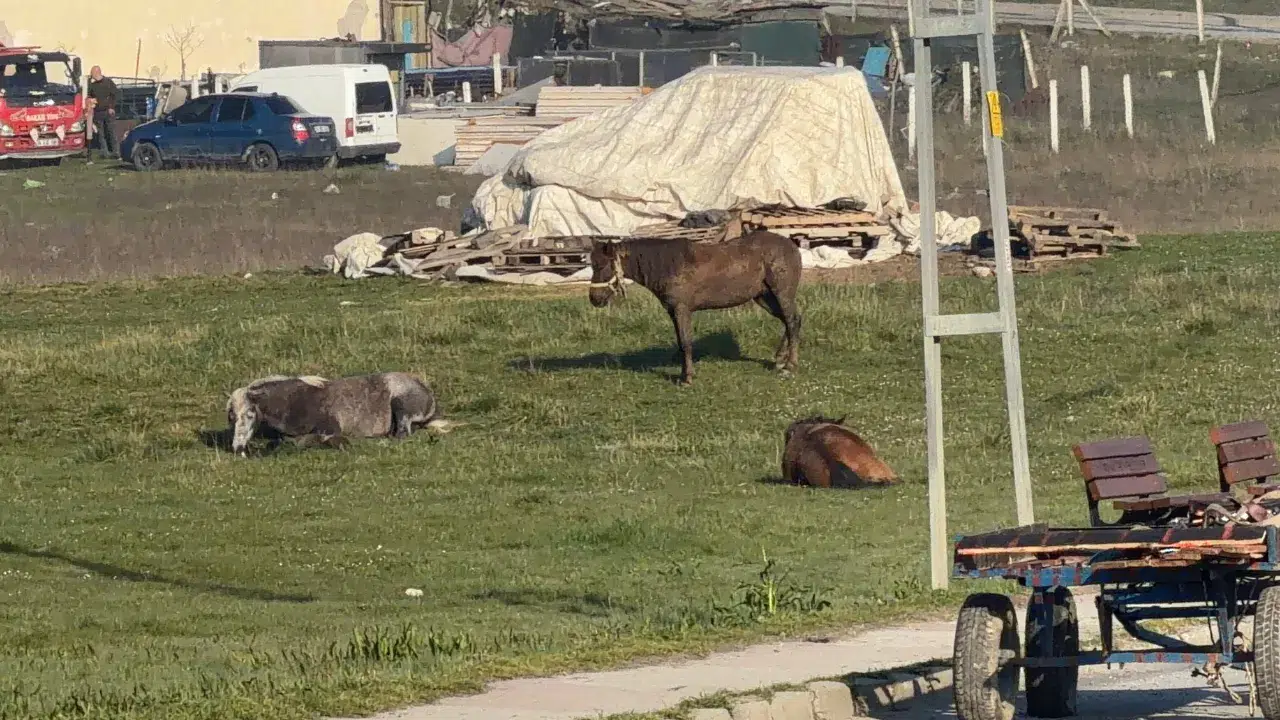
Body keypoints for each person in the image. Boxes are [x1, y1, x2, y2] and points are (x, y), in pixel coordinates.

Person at [87, 66, 119, 160]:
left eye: (92, 73)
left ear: (97, 72)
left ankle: (116, 152)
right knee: (101, 134)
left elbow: (115, 95)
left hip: (108, 111)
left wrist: (111, 107)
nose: (91, 75)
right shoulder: (92, 85)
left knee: (111, 132)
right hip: (98, 112)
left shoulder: (108, 82)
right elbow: (89, 96)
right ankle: (105, 153)